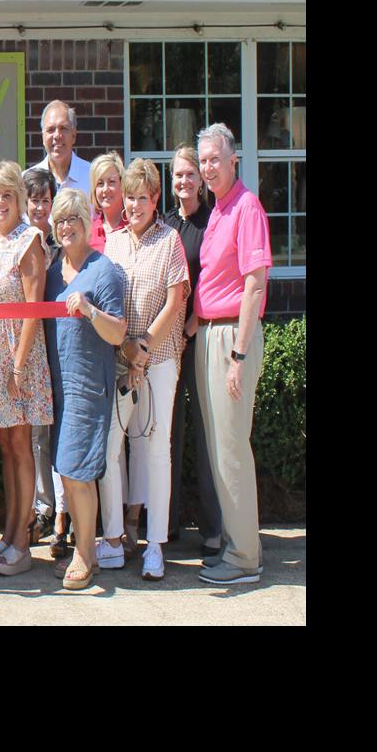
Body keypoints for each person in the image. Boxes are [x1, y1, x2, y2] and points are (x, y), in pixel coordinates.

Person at [99, 158, 190, 581]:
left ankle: (155, 545)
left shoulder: (169, 240)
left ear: (156, 200)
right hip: (120, 358)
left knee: (156, 449)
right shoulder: (114, 243)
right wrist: (127, 348)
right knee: (110, 447)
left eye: (142, 197)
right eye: (130, 197)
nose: (134, 205)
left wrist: (144, 347)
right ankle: (112, 538)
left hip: (159, 359)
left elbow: (175, 301)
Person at [193, 124, 272, 586]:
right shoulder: (219, 210)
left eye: (214, 160)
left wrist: (239, 356)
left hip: (231, 339)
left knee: (231, 450)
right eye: (203, 160)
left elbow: (254, 285)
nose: (208, 168)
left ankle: (244, 557)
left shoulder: (246, 207)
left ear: (233, 160)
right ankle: (235, 544)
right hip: (210, 334)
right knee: (219, 448)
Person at [0, 161, 53, 577]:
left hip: (20, 357)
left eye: (8, 194)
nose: (1, 201)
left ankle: (23, 542)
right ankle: (8, 532)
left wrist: (18, 367)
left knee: (21, 445)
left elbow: (34, 308)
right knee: (5, 445)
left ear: (20, 199)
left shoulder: (30, 239)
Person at [43, 188, 127, 589]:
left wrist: (90, 310)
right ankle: (85, 550)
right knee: (66, 469)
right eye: (59, 221)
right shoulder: (52, 273)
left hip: (87, 384)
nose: (66, 227)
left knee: (78, 472)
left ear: (86, 223)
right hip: (58, 386)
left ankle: (85, 553)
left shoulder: (103, 270)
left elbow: (118, 332)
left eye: (73, 219)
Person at [163, 144, 222, 551]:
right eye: (178, 174)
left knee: (205, 435)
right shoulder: (167, 224)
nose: (184, 180)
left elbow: (215, 278)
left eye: (190, 174)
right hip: (168, 344)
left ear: (201, 180)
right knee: (166, 435)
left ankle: (213, 530)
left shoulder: (212, 222)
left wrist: (191, 324)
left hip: (199, 339)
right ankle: (164, 525)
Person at [21, 165, 62, 553]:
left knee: (56, 431)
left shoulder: (63, 245)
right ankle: (40, 507)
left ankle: (60, 510)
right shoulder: (20, 245)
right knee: (34, 434)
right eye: (32, 200)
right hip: (29, 351)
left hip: (59, 349)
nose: (38, 208)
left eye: (44, 200)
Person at [29, 100, 92, 203]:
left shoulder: (92, 178)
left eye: (63, 128)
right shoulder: (26, 181)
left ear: (74, 135)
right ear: (43, 136)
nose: (57, 135)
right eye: (50, 129)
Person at [88, 152, 126, 253]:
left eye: (111, 182)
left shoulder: (134, 228)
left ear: (122, 184)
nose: (105, 189)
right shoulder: (88, 233)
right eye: (100, 183)